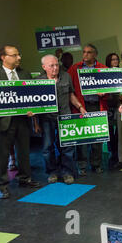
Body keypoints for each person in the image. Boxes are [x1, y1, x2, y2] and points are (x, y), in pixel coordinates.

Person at [35, 54, 86, 184]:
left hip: (65, 116)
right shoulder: (38, 81)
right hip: (46, 118)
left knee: (68, 146)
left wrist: (80, 107)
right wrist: (35, 123)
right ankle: (52, 172)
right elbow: (34, 105)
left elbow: (71, 95)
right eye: (51, 65)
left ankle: (67, 172)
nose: (55, 68)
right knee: (47, 147)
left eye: (56, 64)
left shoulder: (66, 76)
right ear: (44, 67)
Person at [0, 45, 41, 199]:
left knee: (24, 152)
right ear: (4, 57)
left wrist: (33, 110)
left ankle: (25, 178)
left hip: (23, 120)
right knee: (3, 155)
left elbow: (31, 96)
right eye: (15, 55)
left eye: (19, 54)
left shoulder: (25, 73)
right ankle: (2, 185)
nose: (19, 58)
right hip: (4, 121)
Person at [68, 43, 108, 176]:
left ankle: (96, 164)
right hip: (81, 106)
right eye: (84, 52)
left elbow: (110, 89)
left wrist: (105, 93)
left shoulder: (103, 68)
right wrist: (78, 106)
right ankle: (82, 166)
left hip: (97, 105)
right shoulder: (75, 68)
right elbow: (69, 89)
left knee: (97, 138)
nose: (85, 54)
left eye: (88, 52)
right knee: (82, 139)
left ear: (95, 54)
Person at [105, 52, 121, 167]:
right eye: (112, 60)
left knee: (118, 131)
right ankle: (112, 152)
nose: (115, 62)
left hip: (119, 105)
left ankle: (118, 153)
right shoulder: (105, 72)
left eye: (116, 59)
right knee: (110, 130)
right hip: (108, 105)